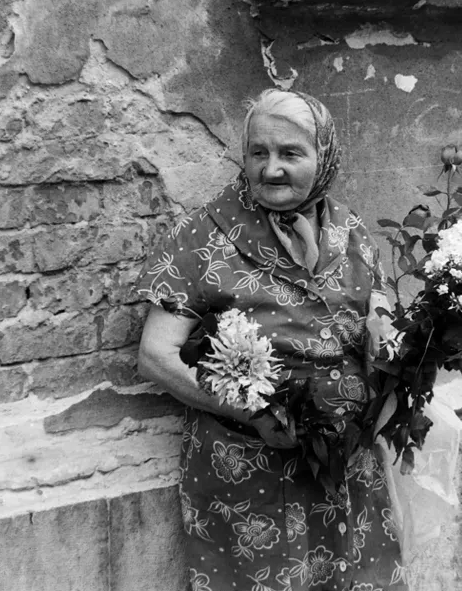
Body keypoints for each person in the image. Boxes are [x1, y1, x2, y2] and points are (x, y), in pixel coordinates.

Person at [136, 89, 407, 591]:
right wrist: (256, 415)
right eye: (258, 152)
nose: (271, 169)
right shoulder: (202, 235)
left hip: (347, 467)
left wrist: (387, 355)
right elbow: (155, 357)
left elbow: (383, 317)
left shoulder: (350, 230)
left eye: (290, 154)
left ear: (324, 158)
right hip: (251, 470)